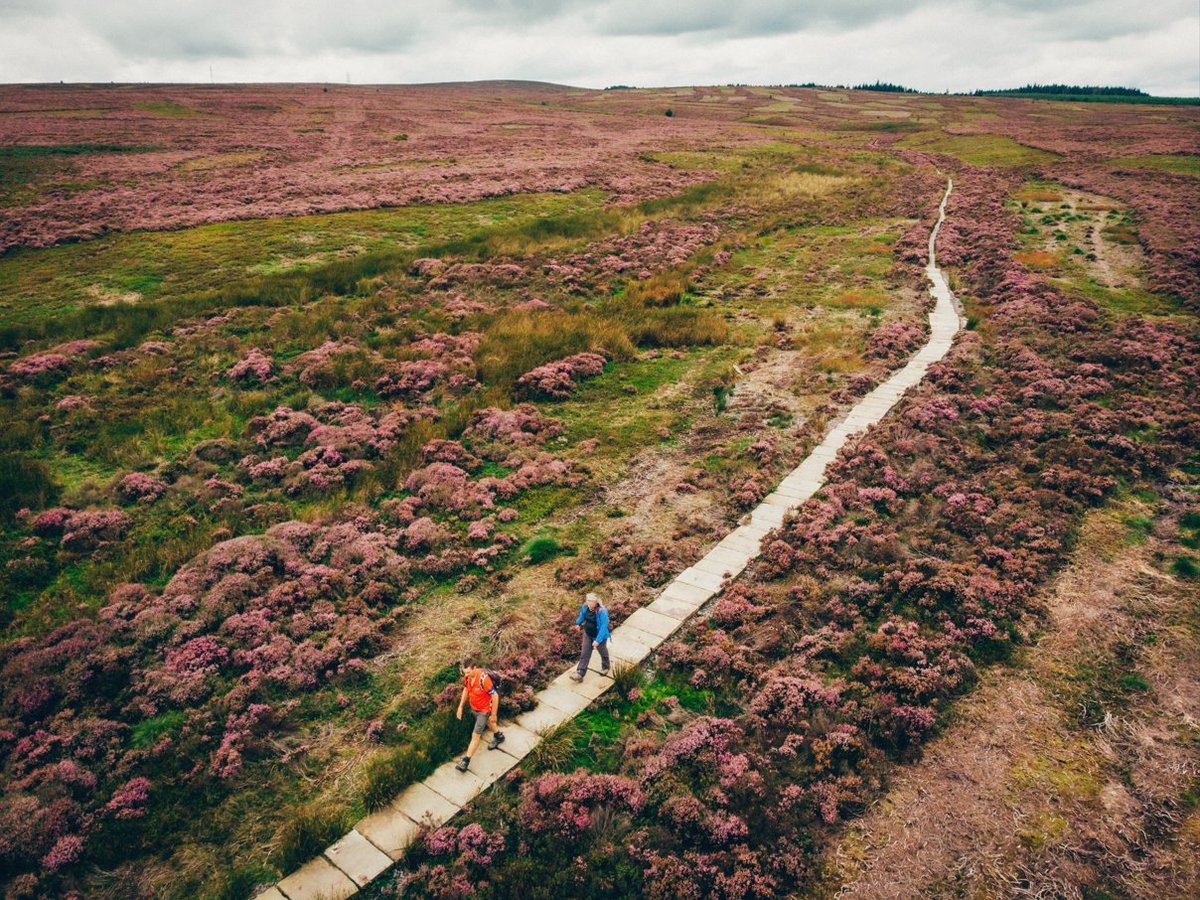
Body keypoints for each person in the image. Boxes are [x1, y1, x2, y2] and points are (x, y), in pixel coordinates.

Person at [455, 660, 504, 772]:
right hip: (474, 708)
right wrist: (460, 707)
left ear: (475, 668)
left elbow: (495, 696)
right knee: (489, 722)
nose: (466, 675)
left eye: (468, 672)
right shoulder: (468, 677)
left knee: (475, 736)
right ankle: (499, 736)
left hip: (484, 710)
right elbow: (466, 689)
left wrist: (494, 714)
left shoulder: (483, 679)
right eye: (464, 673)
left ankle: (465, 762)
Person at [570, 592, 610, 682]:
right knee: (585, 653)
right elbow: (582, 616)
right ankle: (580, 673)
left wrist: (598, 640)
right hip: (588, 634)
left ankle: (606, 667)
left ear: (595, 602)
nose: (588, 603)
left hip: (599, 636)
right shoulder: (585, 607)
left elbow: (604, 627)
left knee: (602, 651)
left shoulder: (602, 611)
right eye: (587, 601)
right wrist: (578, 624)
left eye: (590, 601)